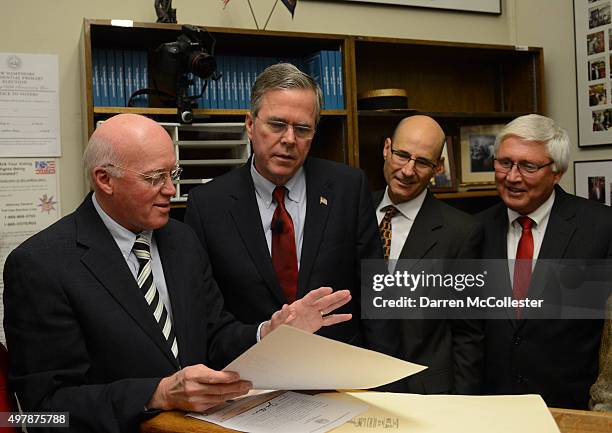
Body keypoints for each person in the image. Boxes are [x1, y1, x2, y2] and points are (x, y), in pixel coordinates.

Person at [3, 113, 352, 433]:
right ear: (104, 179)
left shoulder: (181, 239)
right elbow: (43, 411)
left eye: (173, 174)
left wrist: (269, 332)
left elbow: (214, 336)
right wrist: (157, 394)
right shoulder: (40, 265)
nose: (171, 190)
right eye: (155, 178)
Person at [184, 63, 390, 353]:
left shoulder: (349, 188)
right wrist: (263, 335)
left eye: (302, 128)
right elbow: (205, 316)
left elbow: (375, 290)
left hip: (338, 373)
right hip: (252, 376)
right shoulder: (207, 206)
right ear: (250, 124)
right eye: (277, 124)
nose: (289, 139)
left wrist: (381, 380)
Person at [477, 113, 612, 409]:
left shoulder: (601, 228)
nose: (512, 177)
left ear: (556, 172)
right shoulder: (474, 230)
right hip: (489, 408)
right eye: (505, 163)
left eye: (528, 166)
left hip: (570, 408)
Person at [373, 115, 483, 394]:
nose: (408, 170)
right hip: (356, 384)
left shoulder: (461, 232)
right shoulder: (354, 209)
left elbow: (468, 333)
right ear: (387, 149)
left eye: (422, 162)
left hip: (425, 390)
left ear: (439, 167)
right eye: (401, 155)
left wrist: (461, 404)